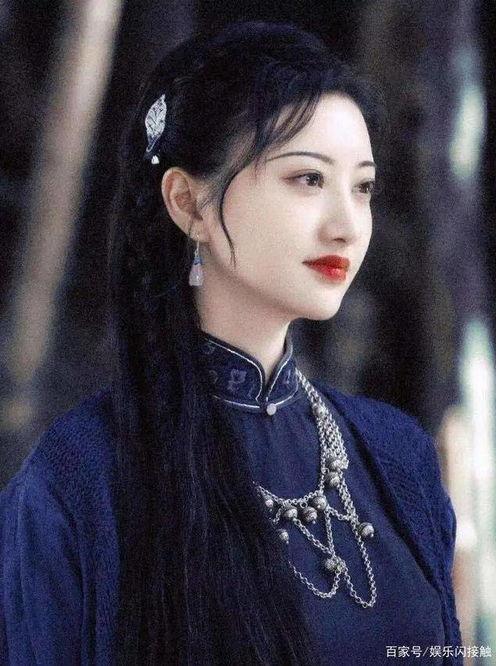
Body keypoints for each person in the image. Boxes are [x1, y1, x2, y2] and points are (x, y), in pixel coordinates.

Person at [0, 19, 463, 666]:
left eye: (362, 187)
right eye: (308, 179)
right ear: (188, 203)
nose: (347, 225)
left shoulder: (398, 457)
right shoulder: (80, 483)